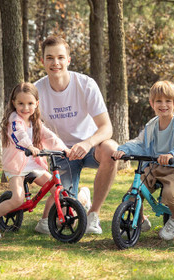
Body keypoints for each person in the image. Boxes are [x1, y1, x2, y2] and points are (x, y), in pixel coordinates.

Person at [34, 35, 118, 234]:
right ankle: (81, 199)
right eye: (50, 58)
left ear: (68, 60)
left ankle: (93, 216)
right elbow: (34, 128)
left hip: (91, 148)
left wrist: (87, 144)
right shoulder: (37, 90)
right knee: (62, 221)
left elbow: (106, 127)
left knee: (112, 149)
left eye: (61, 57)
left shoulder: (85, 84)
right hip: (62, 154)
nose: (56, 63)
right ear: (42, 61)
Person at [0, 82, 70, 239]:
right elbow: (18, 135)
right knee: (17, 198)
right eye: (21, 103)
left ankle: (44, 223)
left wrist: (64, 149)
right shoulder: (14, 120)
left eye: (30, 103)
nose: (25, 108)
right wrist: (30, 146)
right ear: (13, 102)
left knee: (56, 188)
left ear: (36, 103)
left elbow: (48, 136)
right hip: (16, 165)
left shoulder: (35, 122)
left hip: (33, 164)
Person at [112, 80, 174, 240]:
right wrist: (123, 149)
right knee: (133, 193)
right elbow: (140, 142)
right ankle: (140, 219)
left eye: (168, 101)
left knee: (170, 194)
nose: (163, 105)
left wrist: (173, 154)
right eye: (158, 101)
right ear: (152, 103)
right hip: (154, 166)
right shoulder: (151, 125)